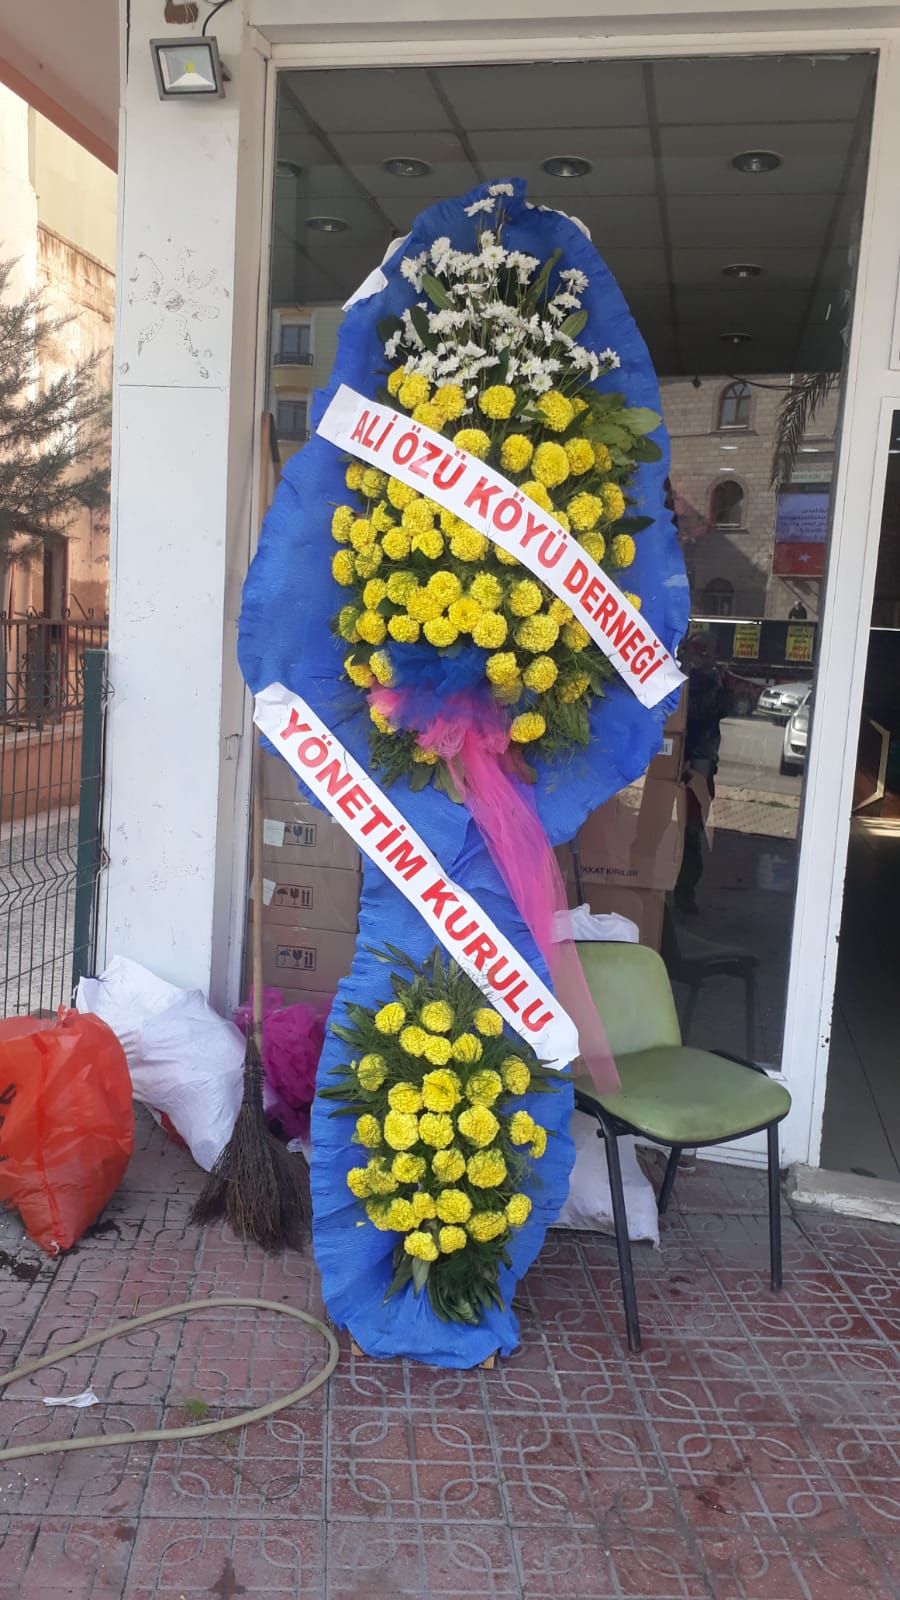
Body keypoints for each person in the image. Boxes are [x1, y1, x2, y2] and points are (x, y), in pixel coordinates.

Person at [674, 630, 736, 915]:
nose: (696, 657)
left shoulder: (711, 681)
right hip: (676, 762)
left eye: (701, 651)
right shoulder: (688, 678)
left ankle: (684, 892)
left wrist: (699, 676)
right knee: (665, 826)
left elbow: (706, 714)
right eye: (693, 650)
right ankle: (666, 887)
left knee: (691, 830)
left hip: (696, 765)